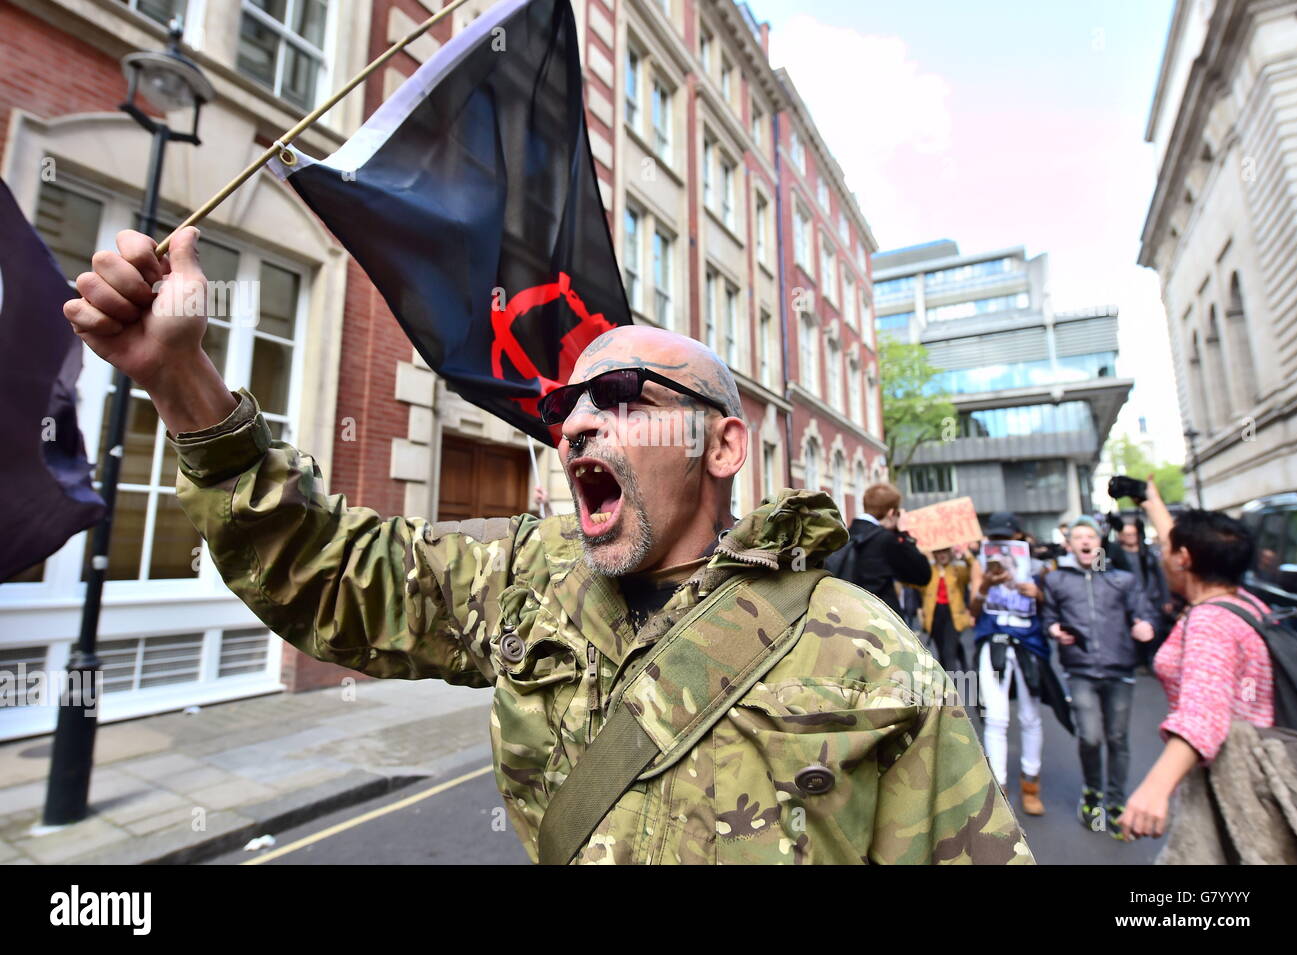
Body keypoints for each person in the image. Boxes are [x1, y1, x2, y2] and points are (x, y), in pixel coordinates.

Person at [62, 226, 1033, 865]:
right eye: (565, 407)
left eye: (620, 402)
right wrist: (182, 378)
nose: (573, 426)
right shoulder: (531, 583)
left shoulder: (863, 652)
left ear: (723, 444)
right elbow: (326, 572)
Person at [1118, 479, 1275, 852]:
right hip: (1257, 768)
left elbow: (1203, 711)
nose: (1161, 555)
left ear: (1184, 559)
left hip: (1234, 784)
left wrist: (1155, 789)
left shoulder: (1209, 622)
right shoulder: (1245, 604)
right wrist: (1150, 501)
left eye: (1166, 549)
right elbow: (1191, 550)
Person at [1042, 516, 1156, 838]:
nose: (1084, 541)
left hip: (1120, 669)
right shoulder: (1056, 581)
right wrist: (1053, 629)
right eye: (1078, 536)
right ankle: (1094, 793)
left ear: (1099, 542)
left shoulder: (1122, 579)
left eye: (1090, 535)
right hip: (1080, 670)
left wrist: (1144, 625)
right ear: (1069, 544)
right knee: (1090, 736)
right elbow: (1048, 617)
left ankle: (1117, 802)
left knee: (1117, 738)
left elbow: (1144, 613)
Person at [969, 512, 1073, 818]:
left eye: (1006, 537)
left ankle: (1031, 785)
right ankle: (999, 787)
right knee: (997, 717)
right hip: (995, 641)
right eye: (995, 538)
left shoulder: (1039, 567)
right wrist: (986, 585)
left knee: (1030, 716)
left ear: (1017, 537)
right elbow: (974, 609)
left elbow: (1052, 607)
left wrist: (1038, 594)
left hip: (1028, 643)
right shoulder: (980, 564)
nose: (1000, 543)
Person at [824, 483, 932, 618]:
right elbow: (922, 575)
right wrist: (902, 533)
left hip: (848, 616)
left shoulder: (845, 535)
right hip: (880, 619)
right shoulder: (886, 540)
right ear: (892, 513)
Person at [1106, 518, 1173, 669]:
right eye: (1127, 534)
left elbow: (1160, 576)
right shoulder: (1116, 554)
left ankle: (1153, 659)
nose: (1131, 537)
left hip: (1152, 598)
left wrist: (1166, 598)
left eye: (1133, 534)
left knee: (1157, 630)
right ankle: (1141, 660)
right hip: (1130, 600)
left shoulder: (1148, 553)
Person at [913, 544, 976, 675]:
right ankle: (949, 676)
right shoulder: (928, 571)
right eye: (938, 551)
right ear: (934, 554)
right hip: (934, 615)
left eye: (945, 551)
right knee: (942, 649)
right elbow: (912, 581)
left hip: (953, 615)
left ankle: (950, 687)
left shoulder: (958, 570)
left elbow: (974, 571)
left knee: (948, 652)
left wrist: (967, 554)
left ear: (950, 552)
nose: (942, 555)